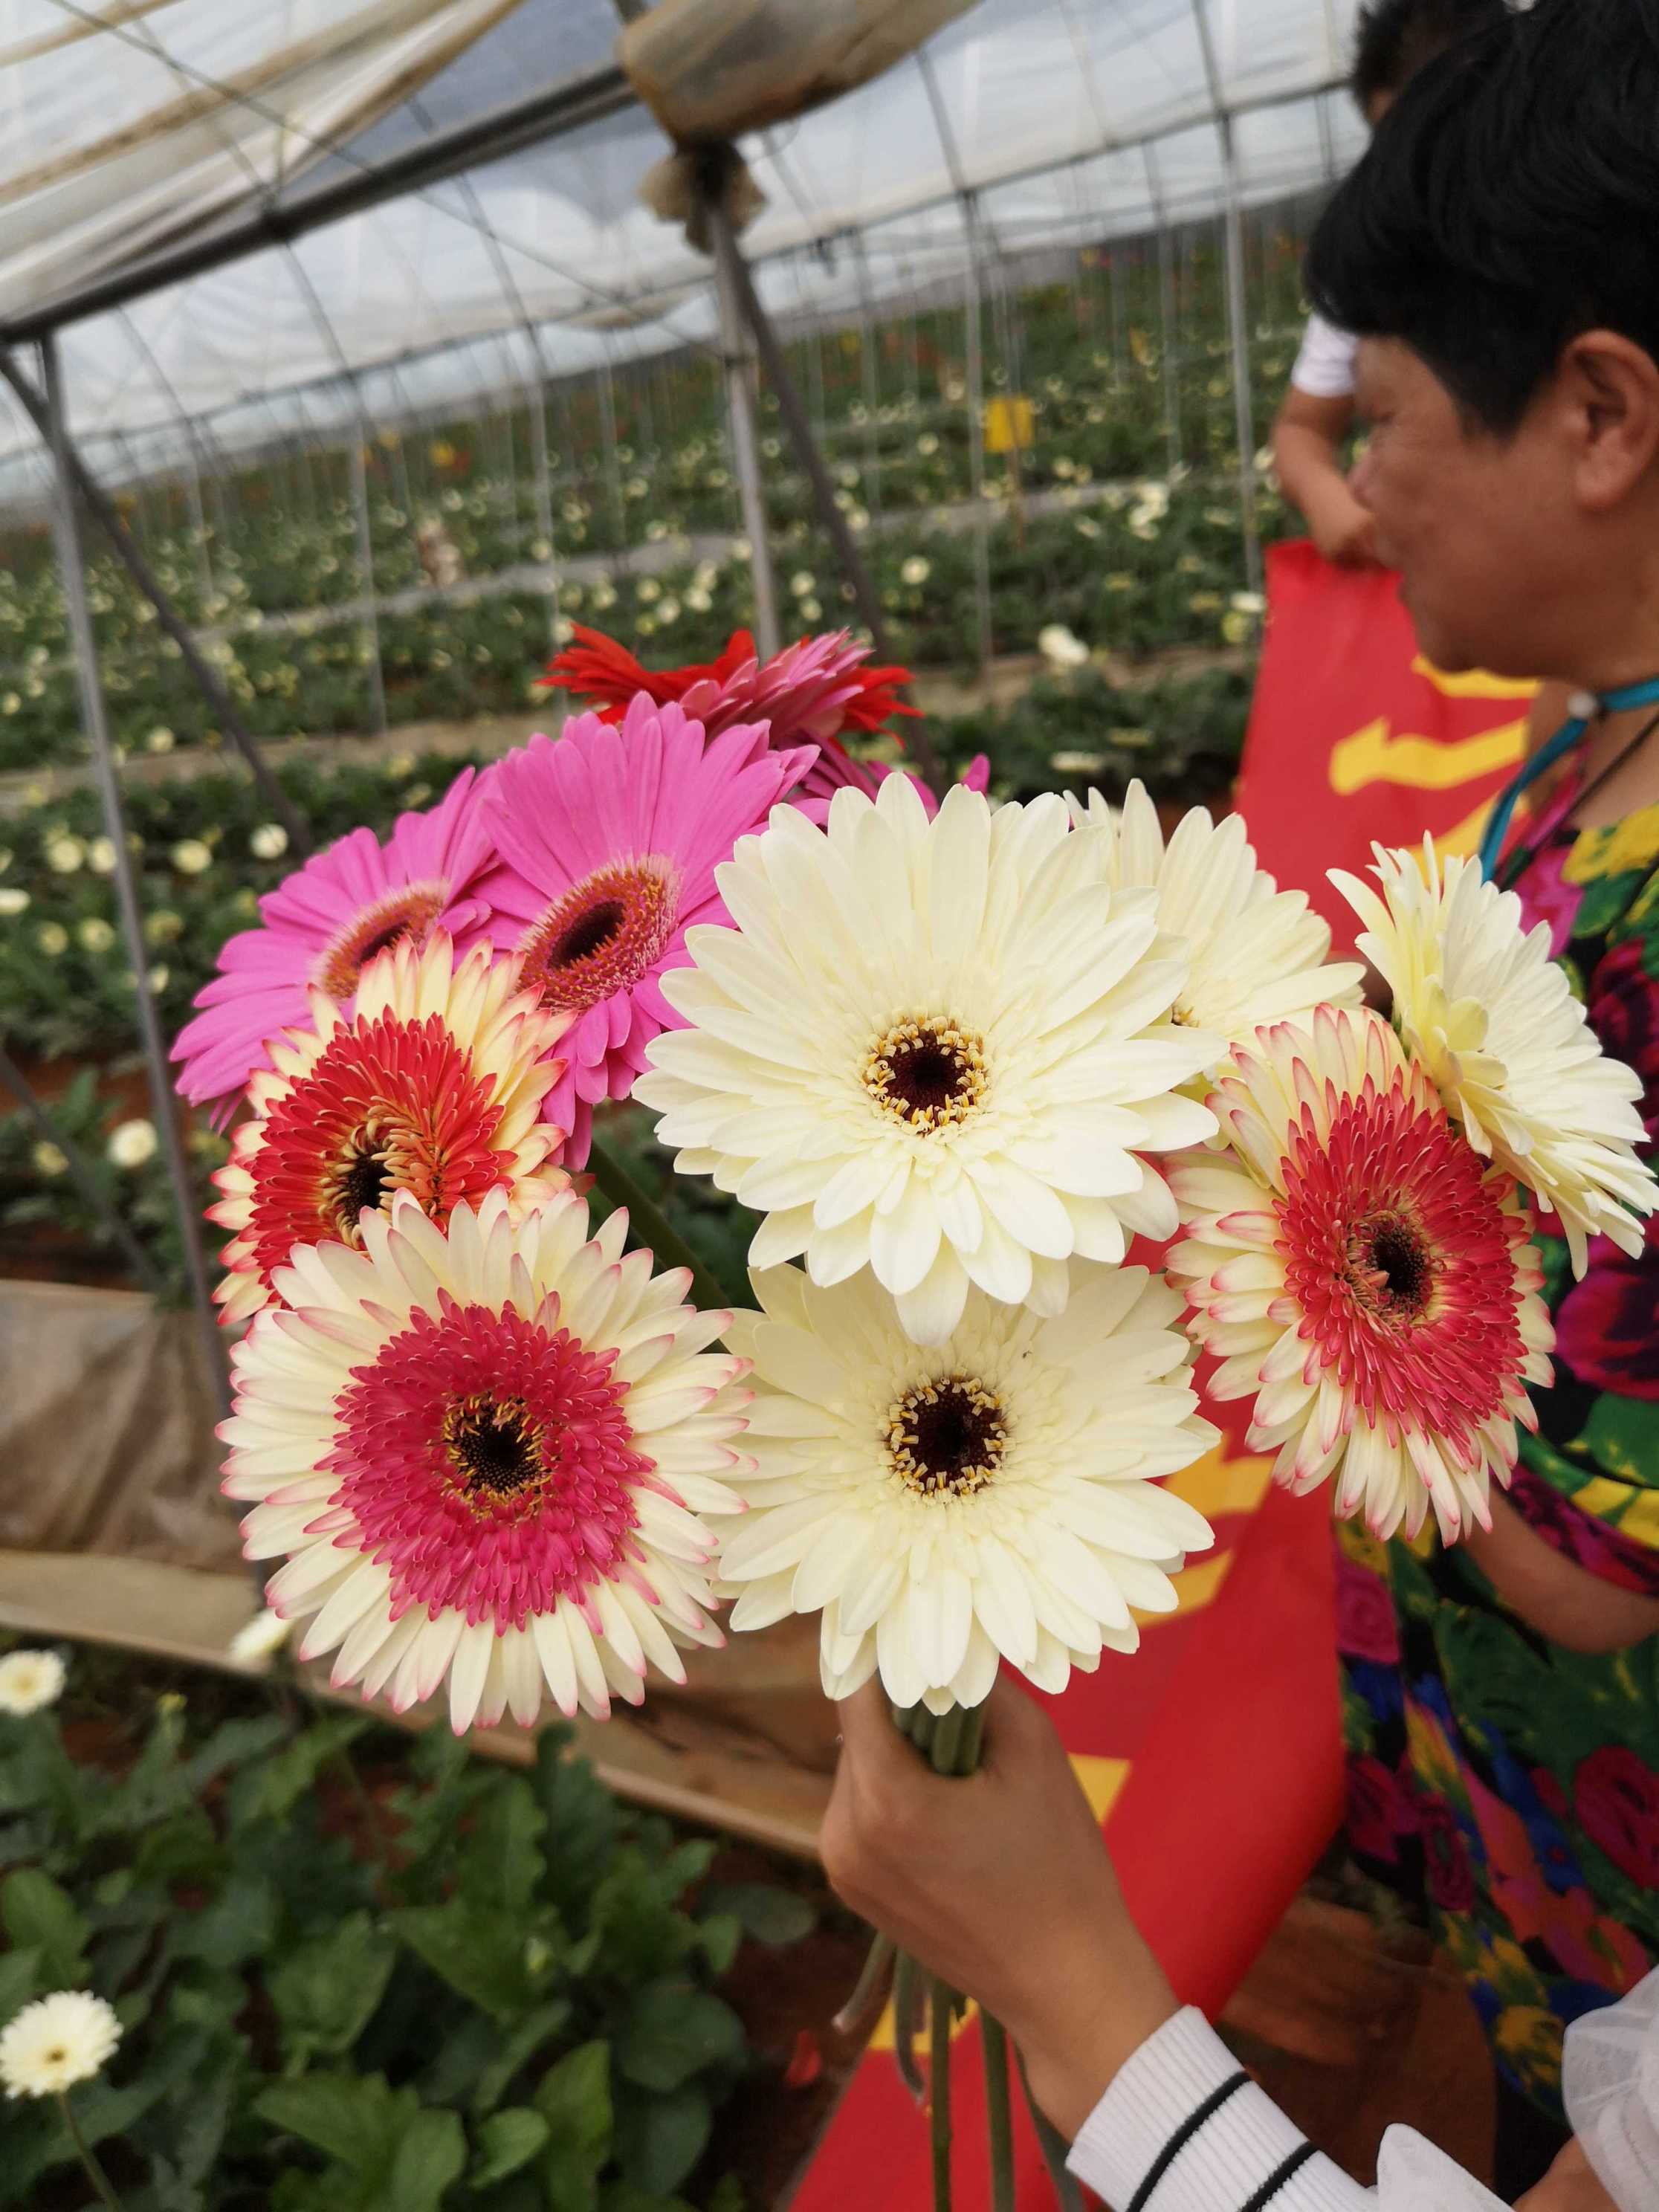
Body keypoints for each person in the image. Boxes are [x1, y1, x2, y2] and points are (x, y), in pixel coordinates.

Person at [824, 0, 1659, 2202]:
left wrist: (1280, 1252)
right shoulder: (1574, 763)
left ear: (1596, 414)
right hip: (1505, 1817)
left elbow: (1595, 1565)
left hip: (1616, 1843)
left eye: (1381, 424)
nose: (1349, 488)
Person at [1270, 0, 1510, 568]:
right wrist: (1326, 497)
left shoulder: (1588, 241)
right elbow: (1301, 429)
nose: (1411, 175)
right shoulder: (1371, 274)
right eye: (1391, 148)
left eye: (1431, 140)